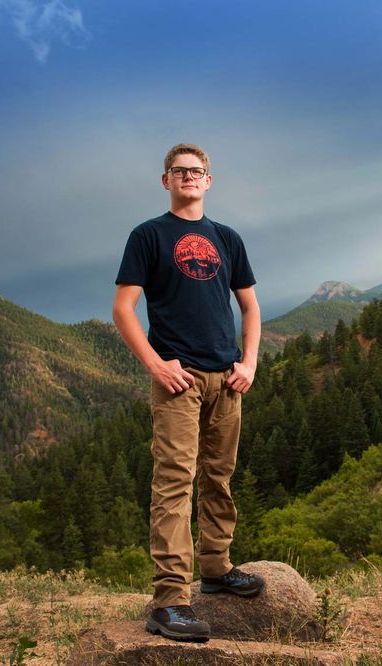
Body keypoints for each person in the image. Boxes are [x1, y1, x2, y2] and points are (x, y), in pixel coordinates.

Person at [112, 143, 266, 643]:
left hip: (227, 379)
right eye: (179, 172)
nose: (189, 178)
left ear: (209, 180)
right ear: (166, 181)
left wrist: (249, 363)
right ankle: (170, 602)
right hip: (179, 381)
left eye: (197, 172)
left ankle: (217, 569)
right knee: (175, 484)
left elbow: (250, 307)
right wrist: (156, 366)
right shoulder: (149, 235)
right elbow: (123, 308)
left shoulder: (226, 238)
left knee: (219, 478)